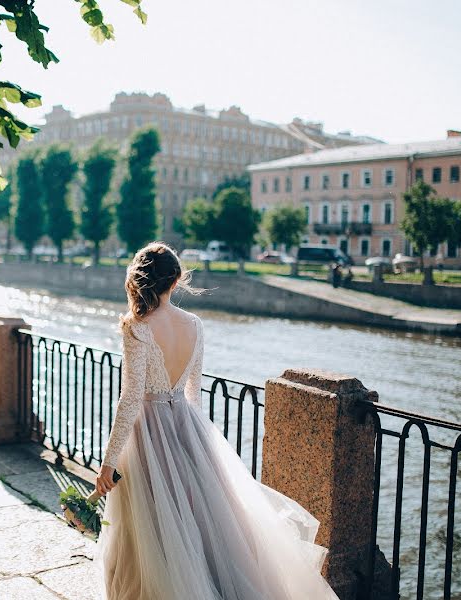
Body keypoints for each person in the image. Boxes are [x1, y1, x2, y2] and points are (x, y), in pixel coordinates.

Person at [95, 242, 337, 600]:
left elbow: (131, 398)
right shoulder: (194, 324)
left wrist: (109, 461)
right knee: (197, 526)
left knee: (146, 530)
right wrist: (192, 443)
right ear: (175, 281)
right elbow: (194, 392)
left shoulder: (137, 326)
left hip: (148, 432)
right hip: (187, 425)